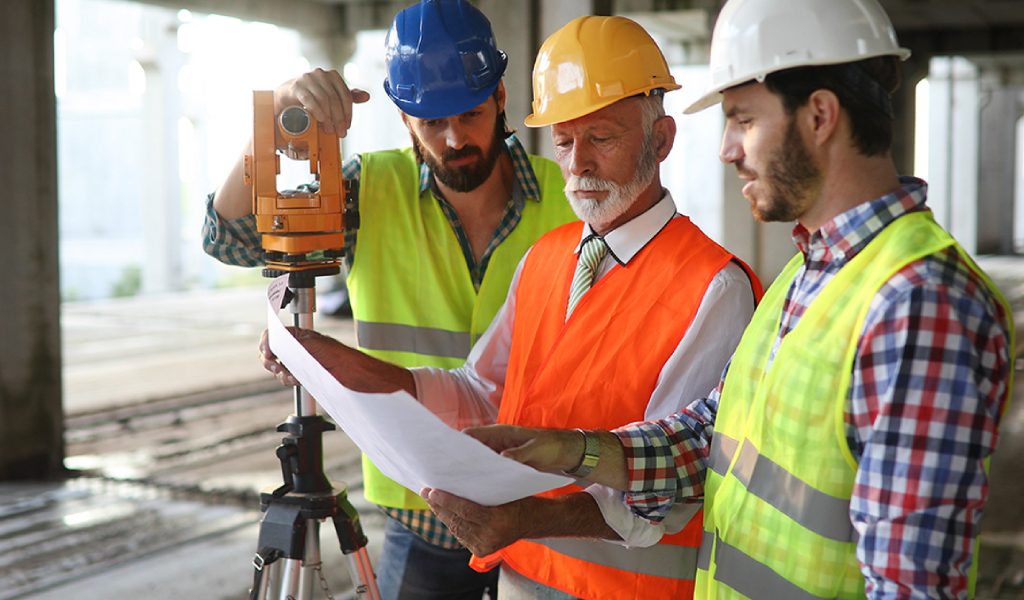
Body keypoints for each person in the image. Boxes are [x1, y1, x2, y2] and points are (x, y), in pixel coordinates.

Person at [456, 0, 1016, 598]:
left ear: (820, 115)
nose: (726, 148)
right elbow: (706, 441)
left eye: (743, 119)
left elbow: (912, 585)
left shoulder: (918, 304)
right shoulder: (807, 276)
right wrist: (569, 451)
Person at [261, 15, 760, 600]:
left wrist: (526, 519)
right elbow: (481, 394)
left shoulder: (713, 286)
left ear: (662, 141)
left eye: (602, 137)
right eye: (566, 141)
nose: (578, 165)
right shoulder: (546, 259)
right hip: (520, 581)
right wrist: (332, 360)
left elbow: (675, 485)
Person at [202, 1, 579, 597]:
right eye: (432, 122)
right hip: (420, 510)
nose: (455, 138)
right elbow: (227, 237)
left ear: (501, 98)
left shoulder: (572, 197)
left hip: (542, 507)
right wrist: (278, 115)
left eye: (470, 114)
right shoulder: (365, 189)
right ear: (404, 118)